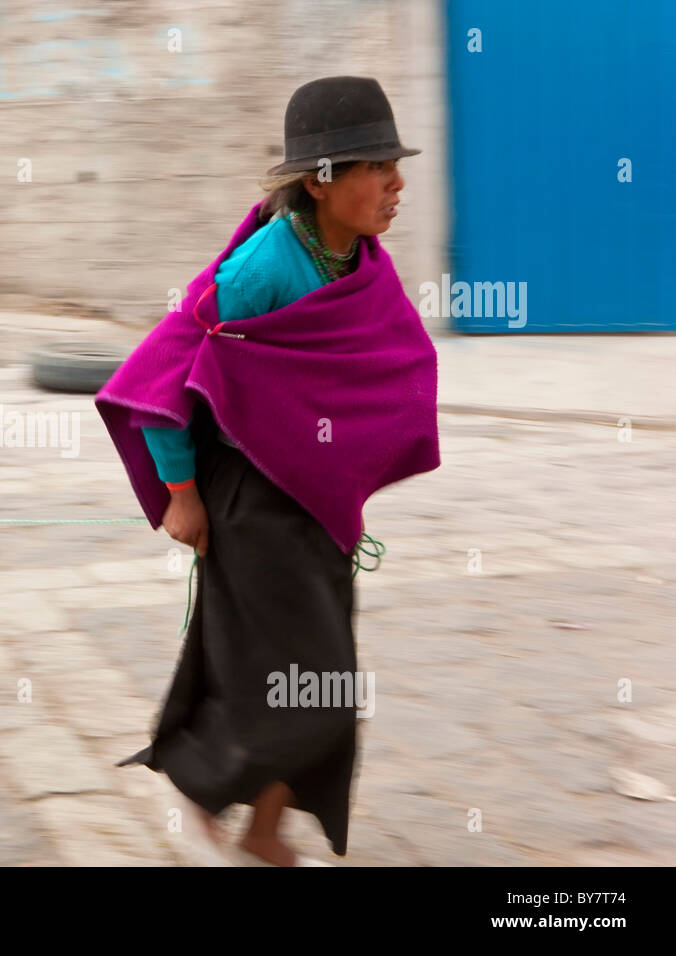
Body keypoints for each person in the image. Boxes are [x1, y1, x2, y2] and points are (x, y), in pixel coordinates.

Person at [96, 76, 441, 865]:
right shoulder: (261, 269)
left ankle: (261, 829)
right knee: (298, 681)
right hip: (249, 503)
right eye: (376, 167)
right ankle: (195, 790)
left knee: (324, 680)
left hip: (313, 509)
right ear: (323, 180)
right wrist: (181, 496)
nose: (397, 185)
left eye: (396, 164)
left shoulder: (356, 258)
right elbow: (160, 378)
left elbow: (378, 365)